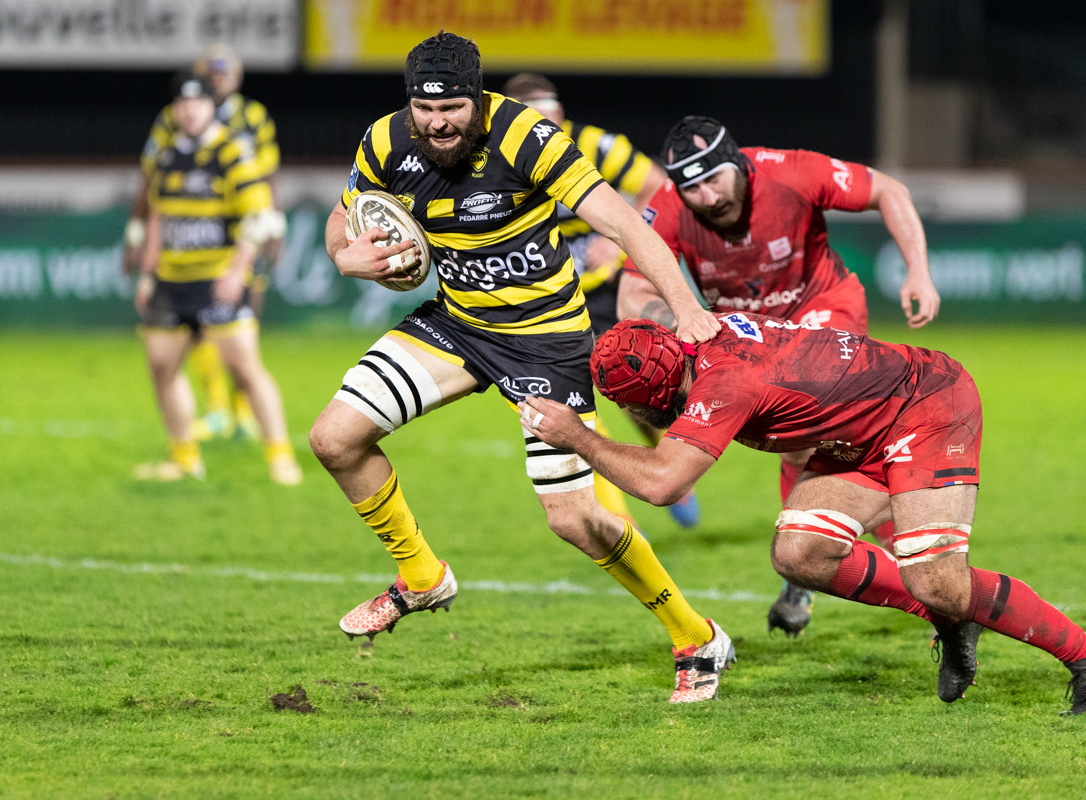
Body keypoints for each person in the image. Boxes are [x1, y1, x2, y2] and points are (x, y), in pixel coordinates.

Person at [310, 31, 732, 704]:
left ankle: (696, 637)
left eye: (452, 108)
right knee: (334, 437)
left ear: (477, 99)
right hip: (459, 325)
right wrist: (343, 253)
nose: (437, 123)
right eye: (425, 109)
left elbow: (626, 223)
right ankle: (422, 577)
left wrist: (686, 309)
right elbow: (345, 212)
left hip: (546, 341)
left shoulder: (527, 137)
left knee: (574, 519)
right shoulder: (386, 140)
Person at [520, 314, 1086, 716]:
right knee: (801, 553)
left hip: (926, 405)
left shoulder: (723, 384)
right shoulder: (698, 335)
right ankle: (951, 621)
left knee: (936, 577)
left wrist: (577, 436)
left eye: (634, 408)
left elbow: (662, 485)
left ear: (655, 399)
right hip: (863, 431)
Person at [618, 115, 941, 635]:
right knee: (805, 445)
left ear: (737, 163)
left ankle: (854, 560)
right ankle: (830, 556)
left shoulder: (790, 172)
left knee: (814, 438)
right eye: (692, 187)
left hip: (824, 310)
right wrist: (679, 323)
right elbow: (632, 294)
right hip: (751, 340)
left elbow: (890, 191)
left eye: (714, 178)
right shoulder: (670, 206)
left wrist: (918, 271)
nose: (706, 197)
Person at [499, 72, 699, 529]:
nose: (546, 131)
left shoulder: (597, 146)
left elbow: (657, 186)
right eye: (534, 122)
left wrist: (618, 241)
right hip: (539, 297)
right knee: (569, 402)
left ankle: (667, 460)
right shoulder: (493, 158)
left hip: (603, 290)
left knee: (637, 385)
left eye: (552, 119)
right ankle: (616, 518)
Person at [132, 71, 302, 486]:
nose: (191, 111)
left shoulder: (233, 152)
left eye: (199, 103)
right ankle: (184, 459)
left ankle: (281, 457)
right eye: (184, 104)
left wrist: (236, 271)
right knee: (162, 367)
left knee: (245, 369)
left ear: (212, 107)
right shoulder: (167, 155)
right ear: (175, 109)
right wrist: (147, 275)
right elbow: (157, 217)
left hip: (218, 279)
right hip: (172, 281)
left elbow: (258, 216)